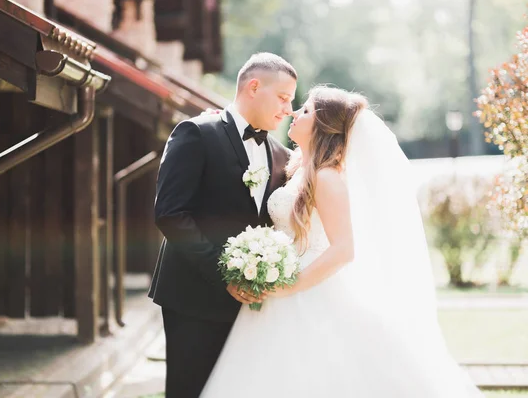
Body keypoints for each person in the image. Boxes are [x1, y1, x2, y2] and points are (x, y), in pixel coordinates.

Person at [200, 86, 484, 397]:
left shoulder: (326, 177)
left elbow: (344, 249)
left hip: (313, 287)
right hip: (278, 282)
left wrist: (291, 285)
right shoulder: (297, 170)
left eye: (306, 110)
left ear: (323, 126)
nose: (295, 112)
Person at [148, 52, 297, 398]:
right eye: (283, 98)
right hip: (193, 299)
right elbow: (170, 214)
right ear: (254, 87)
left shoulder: (281, 155)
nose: (288, 109)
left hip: (254, 306)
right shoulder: (196, 133)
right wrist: (224, 274)